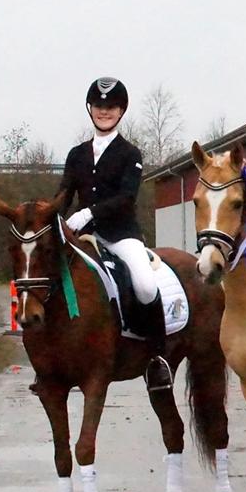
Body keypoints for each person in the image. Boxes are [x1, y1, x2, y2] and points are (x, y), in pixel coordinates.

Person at [58, 77, 171, 391]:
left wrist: (87, 213)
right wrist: (50, 218)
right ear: (90, 109)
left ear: (121, 111)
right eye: (99, 106)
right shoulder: (76, 155)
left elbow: (126, 198)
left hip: (121, 235)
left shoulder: (129, 153)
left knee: (147, 286)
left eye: (110, 107)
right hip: (83, 238)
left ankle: (156, 357)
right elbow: (63, 195)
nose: (104, 112)